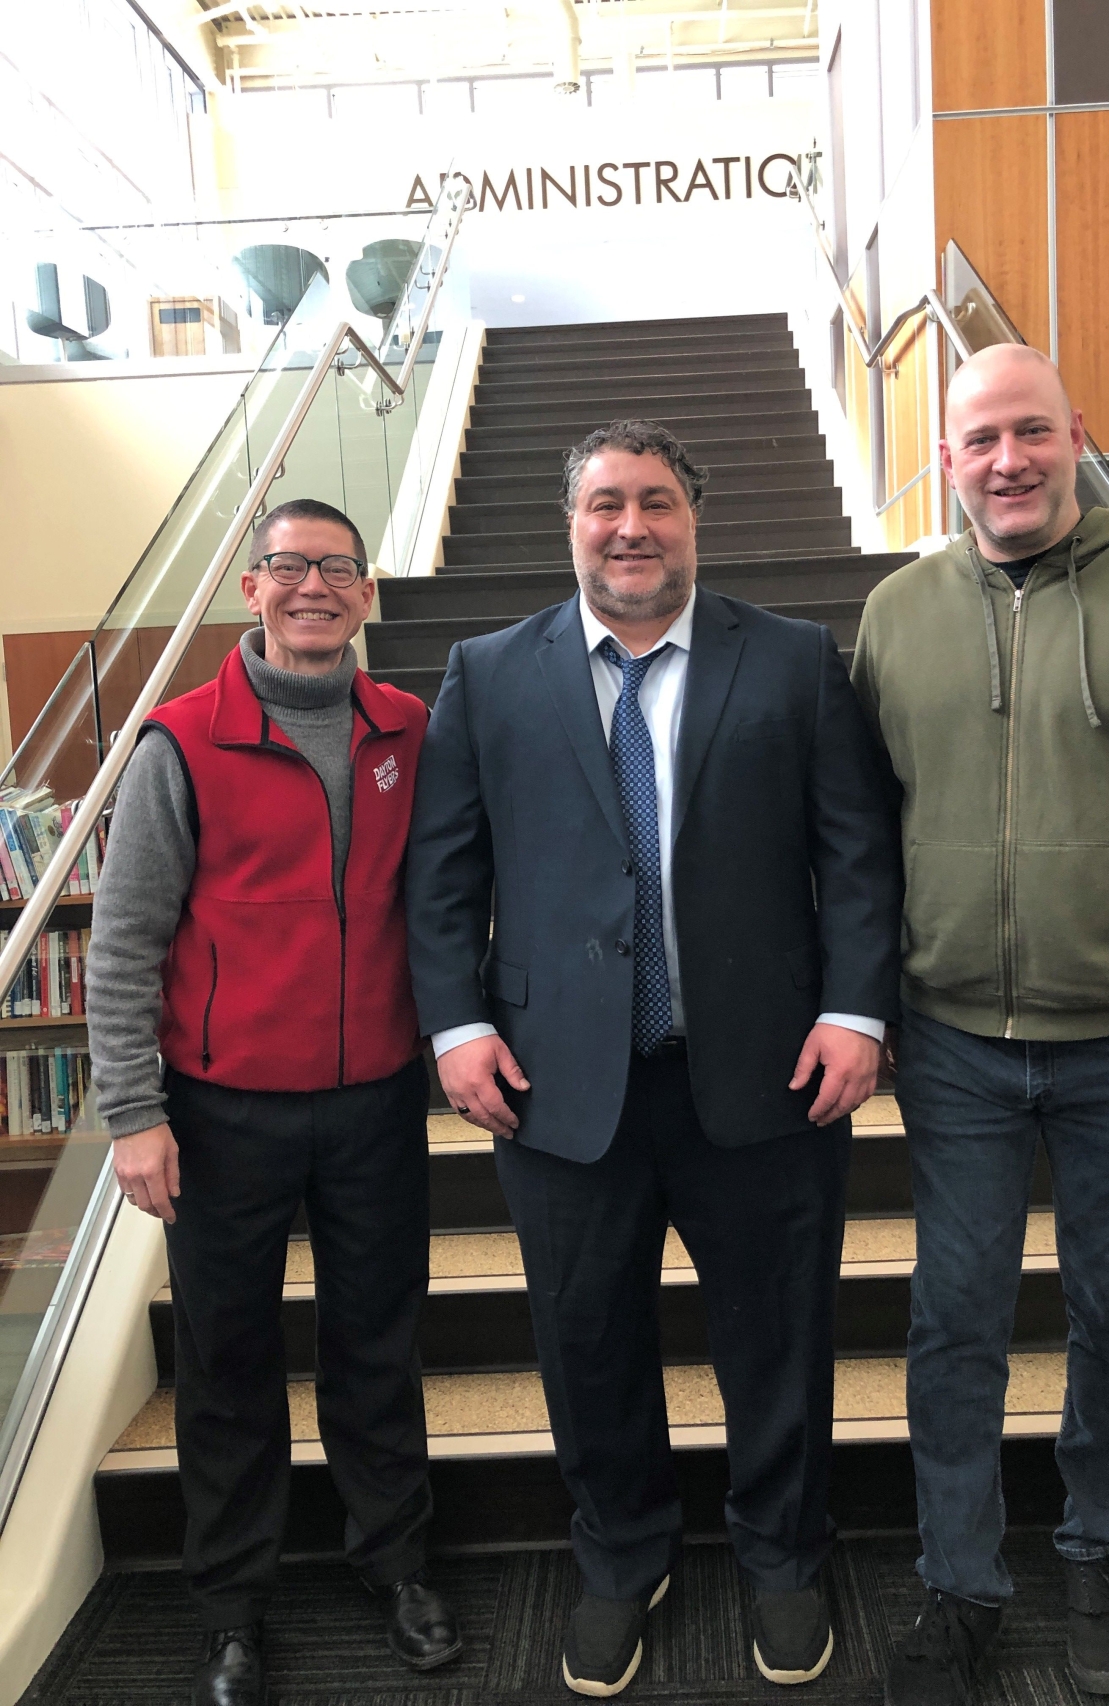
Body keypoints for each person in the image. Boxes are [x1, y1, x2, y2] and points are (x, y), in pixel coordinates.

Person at [406, 419, 901, 1696]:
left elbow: (852, 852)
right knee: (586, 1339)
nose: (630, 525)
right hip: (556, 1086)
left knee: (778, 1334)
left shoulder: (790, 660)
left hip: (766, 1076)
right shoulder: (487, 669)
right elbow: (445, 871)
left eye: (657, 502)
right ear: (569, 523)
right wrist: (456, 1027)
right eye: (605, 504)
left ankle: (782, 1552)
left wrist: (856, 1010)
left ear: (696, 516)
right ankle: (621, 1555)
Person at [852, 343, 1109, 1704]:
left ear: (1075, 434)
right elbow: (861, 832)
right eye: (979, 439)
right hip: (956, 1040)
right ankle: (960, 1583)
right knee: (955, 1317)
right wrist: (870, 1004)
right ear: (945, 459)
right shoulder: (899, 611)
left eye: (1030, 431)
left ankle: (1100, 1547)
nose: (1009, 461)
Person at [87, 498, 460, 1706]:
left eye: (337, 569)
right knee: (228, 1359)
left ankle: (396, 1563)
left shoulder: (408, 726)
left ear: (364, 592)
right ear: (251, 587)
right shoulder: (179, 741)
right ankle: (233, 1604)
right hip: (220, 1114)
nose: (314, 586)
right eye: (290, 567)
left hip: (372, 1107)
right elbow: (125, 941)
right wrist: (132, 1110)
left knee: (375, 1347)